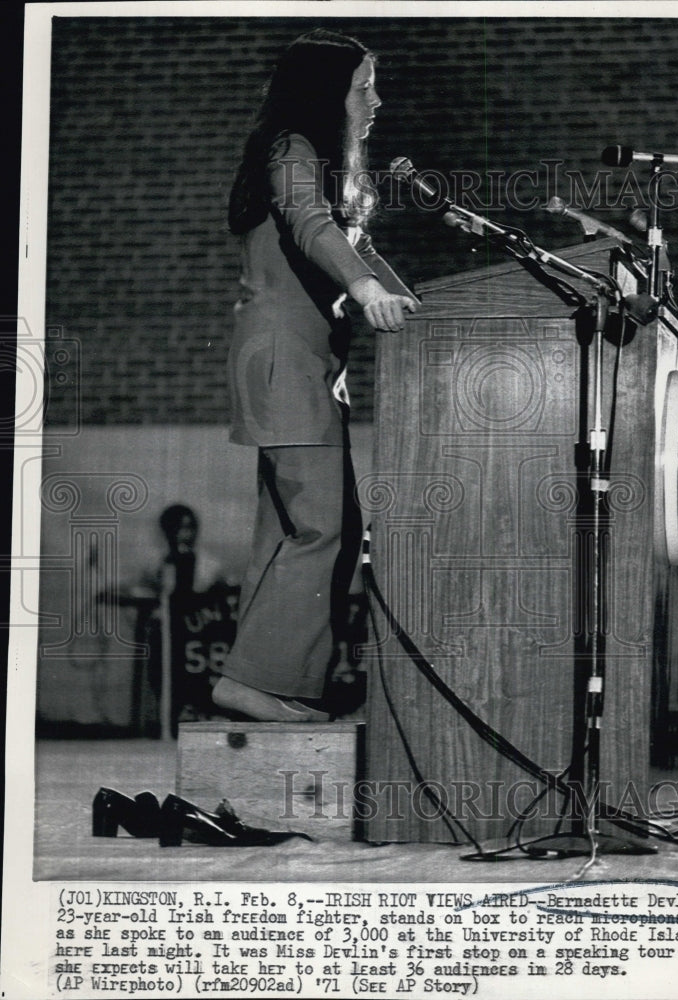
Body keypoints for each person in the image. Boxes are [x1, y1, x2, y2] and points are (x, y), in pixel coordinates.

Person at [211, 29, 419, 722]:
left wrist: (428, 314)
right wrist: (365, 293)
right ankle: (259, 684)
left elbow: (355, 245)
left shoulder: (326, 164)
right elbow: (311, 227)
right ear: (325, 92)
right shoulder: (290, 152)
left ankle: (269, 681)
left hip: (303, 365)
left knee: (295, 528)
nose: (376, 100)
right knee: (323, 526)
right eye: (363, 86)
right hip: (282, 361)